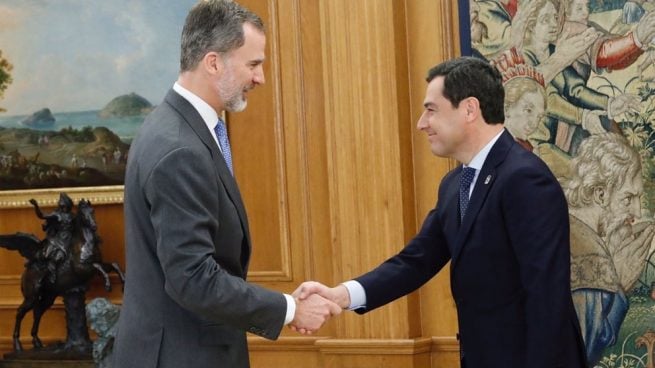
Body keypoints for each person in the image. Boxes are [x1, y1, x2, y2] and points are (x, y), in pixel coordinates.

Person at [294, 57, 587, 367]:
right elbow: (415, 262)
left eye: (431, 110)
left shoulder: (525, 178)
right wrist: (339, 295)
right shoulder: (454, 184)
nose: (422, 123)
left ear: (470, 109)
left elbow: (546, 297)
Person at [112, 2, 340, 368]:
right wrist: (290, 309)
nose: (261, 77)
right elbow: (193, 278)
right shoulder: (178, 148)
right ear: (213, 62)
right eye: (253, 64)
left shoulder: (179, 128)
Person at [564, 133, 655, 365]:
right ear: (600, 194)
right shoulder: (591, 256)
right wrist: (620, 287)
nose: (636, 212)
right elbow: (585, 352)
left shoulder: (564, 226)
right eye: (628, 199)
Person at [30, 192, 75, 283]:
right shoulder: (57, 214)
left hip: (71, 237)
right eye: (62, 206)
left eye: (65, 206)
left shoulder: (72, 216)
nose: (64, 208)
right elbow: (42, 215)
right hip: (58, 238)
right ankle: (51, 272)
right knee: (52, 255)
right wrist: (36, 206)